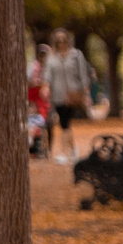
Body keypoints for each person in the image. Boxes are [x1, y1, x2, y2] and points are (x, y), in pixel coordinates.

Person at [43, 29, 93, 164]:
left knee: (65, 122)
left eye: (63, 40)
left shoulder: (76, 55)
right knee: (64, 123)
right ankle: (73, 149)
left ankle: (64, 152)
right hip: (57, 94)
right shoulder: (51, 57)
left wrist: (86, 93)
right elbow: (47, 74)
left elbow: (83, 74)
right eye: (58, 41)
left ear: (68, 40)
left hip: (73, 93)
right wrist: (46, 86)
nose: (61, 43)